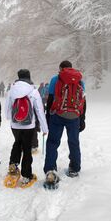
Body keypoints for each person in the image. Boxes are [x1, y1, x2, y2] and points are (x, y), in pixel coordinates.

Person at [43, 60, 86, 189]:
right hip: (74, 117)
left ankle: (50, 170)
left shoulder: (55, 79)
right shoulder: (79, 80)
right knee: (74, 142)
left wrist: (48, 117)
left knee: (52, 142)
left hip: (58, 115)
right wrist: (82, 119)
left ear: (60, 68)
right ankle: (74, 168)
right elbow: (83, 101)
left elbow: (50, 100)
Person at [5, 69, 48, 187]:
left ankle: (13, 165)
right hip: (29, 125)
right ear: (29, 77)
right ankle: (26, 175)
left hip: (15, 125)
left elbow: (7, 109)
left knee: (17, 143)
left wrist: (11, 118)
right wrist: (45, 128)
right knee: (27, 148)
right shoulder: (33, 91)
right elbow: (39, 111)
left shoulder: (11, 90)